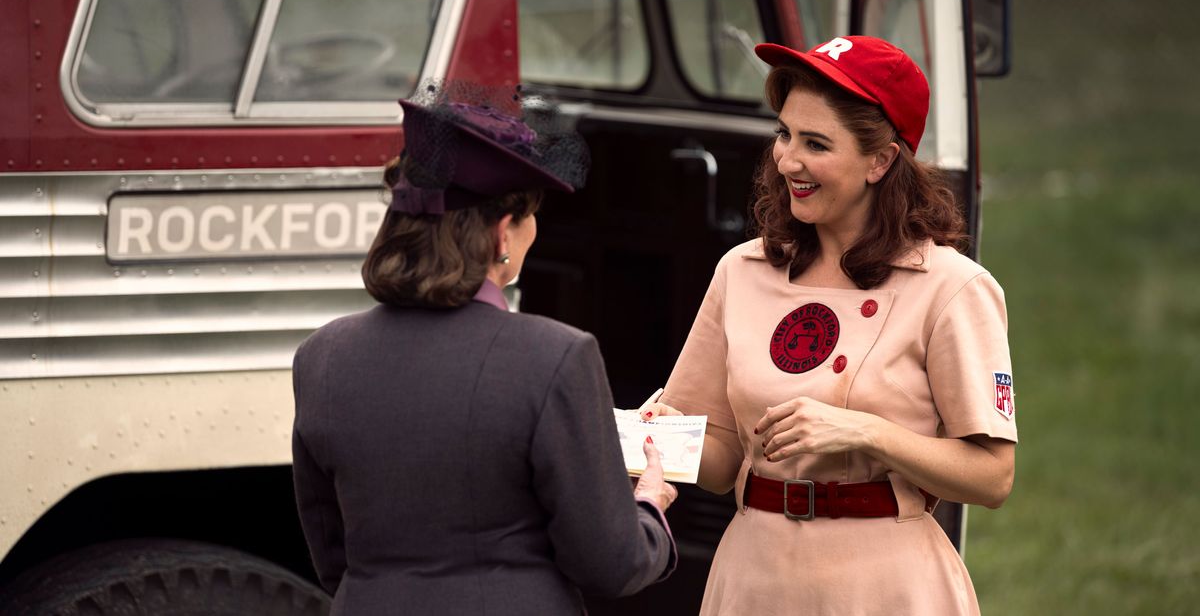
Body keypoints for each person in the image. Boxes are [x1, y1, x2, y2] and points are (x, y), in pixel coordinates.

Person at [640, 36, 1017, 614]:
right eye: (784, 134)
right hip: (755, 578)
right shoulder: (740, 271)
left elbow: (992, 476)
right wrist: (664, 436)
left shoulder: (952, 287)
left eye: (815, 143)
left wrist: (866, 433)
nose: (787, 160)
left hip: (886, 587)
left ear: (881, 160)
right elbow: (718, 464)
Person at [291, 83, 677, 615]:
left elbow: (331, 553)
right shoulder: (555, 356)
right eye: (530, 216)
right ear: (502, 233)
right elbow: (611, 562)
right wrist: (647, 508)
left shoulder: (321, 355)